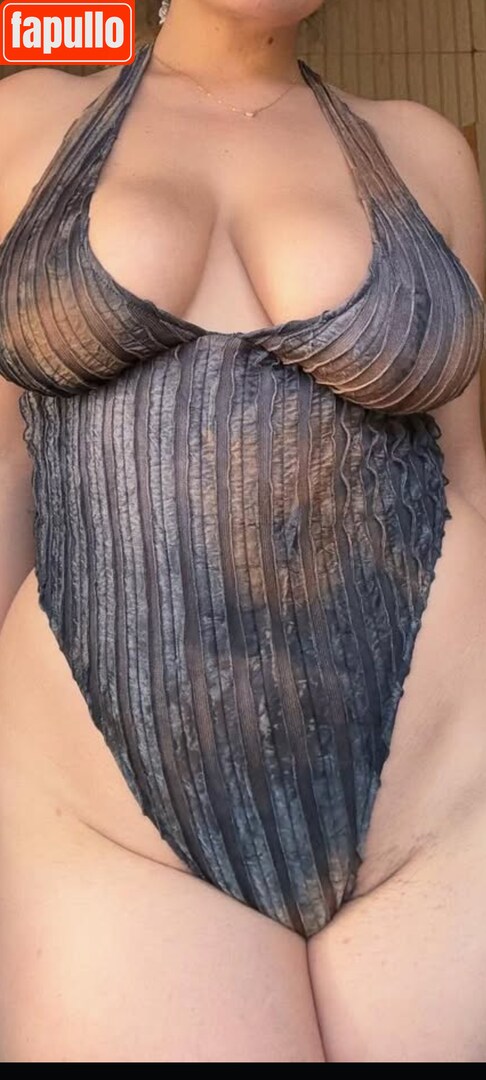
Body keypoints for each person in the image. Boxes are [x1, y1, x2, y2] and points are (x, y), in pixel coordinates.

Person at [0, 0, 486, 1063]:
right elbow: (3, 463)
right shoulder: (23, 123)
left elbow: (468, 466)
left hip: (448, 792)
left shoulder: (424, 151)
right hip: (108, 816)